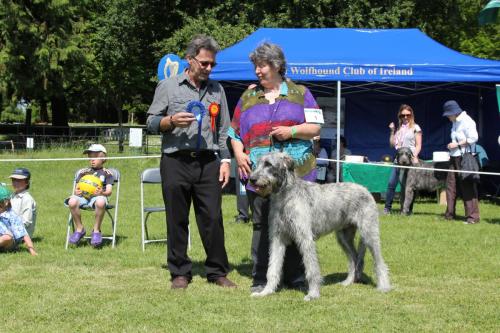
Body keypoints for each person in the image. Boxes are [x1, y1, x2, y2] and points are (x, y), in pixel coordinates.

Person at [229, 42, 321, 292]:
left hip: (295, 177)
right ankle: (261, 278)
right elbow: (233, 132)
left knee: (297, 226)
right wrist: (238, 154)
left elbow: (315, 128)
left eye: (262, 65)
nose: (257, 71)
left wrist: (291, 130)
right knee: (261, 223)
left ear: (277, 65)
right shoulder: (248, 96)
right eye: (255, 66)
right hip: (258, 176)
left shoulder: (301, 93)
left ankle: (297, 277)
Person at [146, 35, 235, 289]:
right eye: (204, 63)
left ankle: (217, 271)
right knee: (176, 218)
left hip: (208, 162)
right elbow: (151, 122)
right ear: (190, 59)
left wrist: (225, 161)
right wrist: (170, 121)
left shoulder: (218, 90)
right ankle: (180, 272)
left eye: (212, 65)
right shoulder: (168, 86)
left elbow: (223, 130)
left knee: (213, 218)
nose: (209, 68)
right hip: (175, 160)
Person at [65, 144, 114, 247]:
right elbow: (77, 189)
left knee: (101, 202)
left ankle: (96, 231)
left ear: (103, 158)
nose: (92, 160)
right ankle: (80, 229)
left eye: (95, 157)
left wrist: (102, 193)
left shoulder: (107, 173)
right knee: (72, 201)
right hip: (83, 197)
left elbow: (109, 191)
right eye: (90, 157)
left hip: (98, 197)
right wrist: (77, 192)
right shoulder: (84, 172)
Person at [442, 100, 480, 224]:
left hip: (465, 158)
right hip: (454, 157)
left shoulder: (467, 121)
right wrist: (451, 151)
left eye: (448, 114)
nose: (447, 116)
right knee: (450, 185)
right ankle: (449, 215)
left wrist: (456, 144)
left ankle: (472, 218)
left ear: (455, 112)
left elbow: (474, 138)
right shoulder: (454, 122)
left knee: (467, 186)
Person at [383, 104, 422, 214]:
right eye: (403, 115)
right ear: (399, 116)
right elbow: (392, 144)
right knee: (391, 184)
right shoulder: (399, 128)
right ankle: (387, 209)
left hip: (410, 161)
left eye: (408, 115)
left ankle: (408, 210)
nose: (405, 117)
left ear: (411, 115)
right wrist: (392, 131)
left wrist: (414, 157)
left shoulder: (416, 128)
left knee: (409, 186)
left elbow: (418, 145)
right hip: (398, 160)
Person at [0, 184, 37, 255]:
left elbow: (24, 233)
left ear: (5, 203)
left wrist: (31, 250)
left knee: (7, 237)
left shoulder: (12, 216)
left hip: (8, 243)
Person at [9, 167, 37, 238]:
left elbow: (26, 222)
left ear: (27, 182)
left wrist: (8, 227)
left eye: (19, 180)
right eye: (13, 180)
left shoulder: (27, 199)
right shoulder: (12, 195)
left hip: (21, 235)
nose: (15, 182)